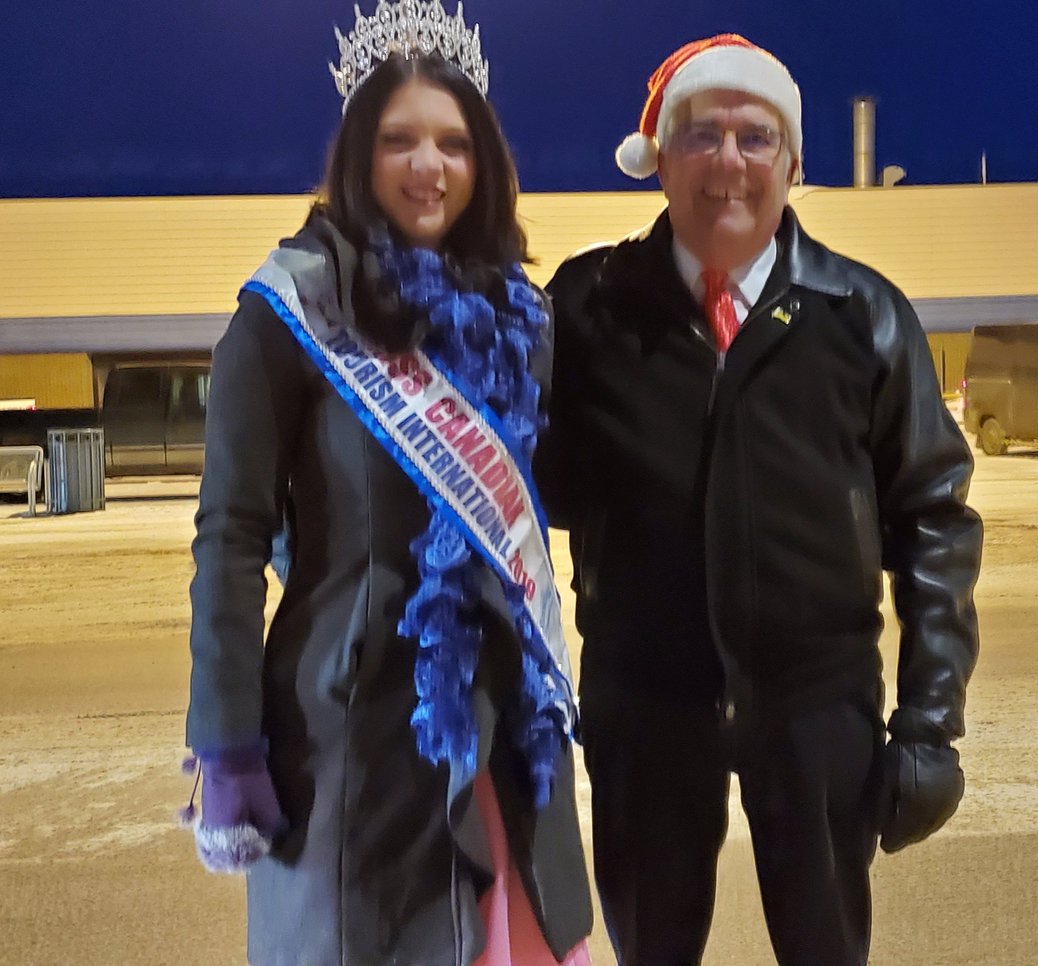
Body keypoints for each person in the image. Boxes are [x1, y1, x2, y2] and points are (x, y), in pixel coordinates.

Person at [534, 34, 983, 966]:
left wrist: (930, 721)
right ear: (658, 159)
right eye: (701, 135)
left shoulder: (863, 315)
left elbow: (935, 518)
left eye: (756, 136)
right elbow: (527, 485)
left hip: (819, 712)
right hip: (645, 714)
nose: (729, 161)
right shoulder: (586, 309)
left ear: (795, 163)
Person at [180, 2, 592, 963]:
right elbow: (232, 536)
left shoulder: (518, 319)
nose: (428, 166)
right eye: (399, 139)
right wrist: (227, 741)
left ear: (482, 159)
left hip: (503, 723)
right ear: (357, 152)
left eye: (452, 142)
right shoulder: (290, 311)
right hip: (353, 727)